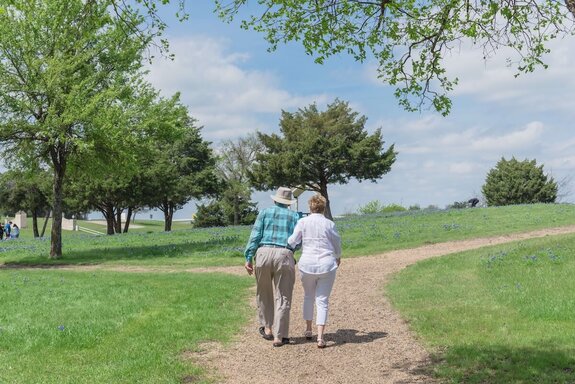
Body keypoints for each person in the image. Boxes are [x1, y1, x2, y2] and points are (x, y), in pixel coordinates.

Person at [244, 187, 300, 347]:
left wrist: (248, 257)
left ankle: (267, 328)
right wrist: (290, 252)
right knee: (283, 295)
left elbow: (255, 236)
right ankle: (280, 336)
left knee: (264, 292)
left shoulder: (264, 212)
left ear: (275, 199)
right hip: (284, 253)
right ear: (289, 203)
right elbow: (298, 241)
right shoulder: (295, 216)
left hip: (263, 253)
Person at [288, 194, 341, 348]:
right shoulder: (329, 224)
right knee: (322, 300)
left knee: (308, 296)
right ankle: (320, 336)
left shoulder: (302, 222)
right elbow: (337, 242)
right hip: (326, 264)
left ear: (310, 207)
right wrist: (337, 256)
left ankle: (308, 328)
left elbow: (292, 241)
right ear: (323, 208)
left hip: (307, 264)